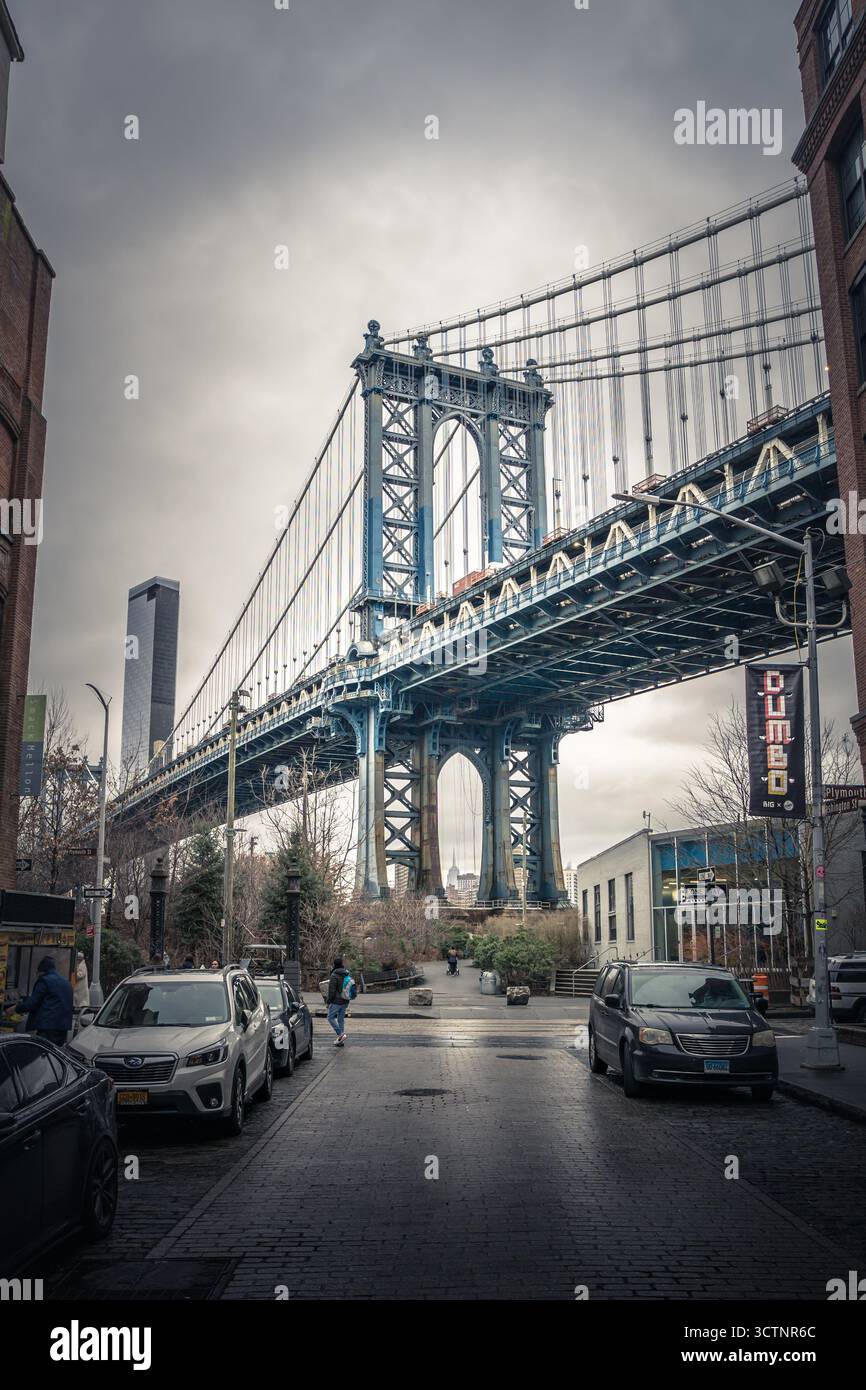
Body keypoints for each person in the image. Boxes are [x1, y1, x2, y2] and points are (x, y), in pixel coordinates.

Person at [11, 955, 73, 1045]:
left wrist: (15, 1008)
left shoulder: (44, 980)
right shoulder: (67, 983)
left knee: (42, 1055)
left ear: (42, 971)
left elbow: (32, 1004)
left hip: (47, 1028)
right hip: (63, 1029)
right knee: (54, 1055)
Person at [326, 955, 350, 1047]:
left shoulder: (334, 975)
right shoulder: (346, 973)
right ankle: (341, 1041)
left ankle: (341, 1034)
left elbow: (331, 991)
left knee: (330, 1017)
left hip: (336, 1001)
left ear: (334, 965)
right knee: (340, 1019)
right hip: (345, 1000)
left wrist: (328, 1002)